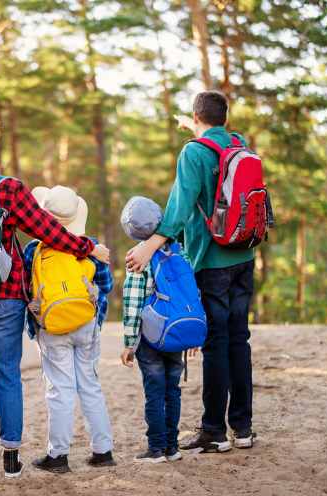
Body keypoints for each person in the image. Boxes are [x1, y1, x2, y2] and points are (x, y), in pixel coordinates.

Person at [0, 115, 110, 480]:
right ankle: (11, 460)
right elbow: (50, 232)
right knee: (7, 376)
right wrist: (88, 247)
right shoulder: (11, 189)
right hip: (4, 295)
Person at [126, 91, 256, 453]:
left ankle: (214, 431)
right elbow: (215, 134)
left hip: (212, 260)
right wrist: (196, 125)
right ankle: (243, 428)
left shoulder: (193, 152)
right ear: (224, 118)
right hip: (244, 256)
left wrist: (150, 244)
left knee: (215, 343)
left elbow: (180, 206)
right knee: (238, 340)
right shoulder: (237, 143)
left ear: (197, 119)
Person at [23, 185, 115, 474]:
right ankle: (103, 451)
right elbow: (107, 286)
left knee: (59, 389)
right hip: (86, 324)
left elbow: (27, 291)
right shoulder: (91, 246)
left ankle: (59, 456)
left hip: (52, 326)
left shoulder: (33, 249)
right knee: (89, 384)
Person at [119, 196, 184, 463]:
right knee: (173, 390)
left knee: (155, 392)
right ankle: (172, 447)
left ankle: (156, 448)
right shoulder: (180, 252)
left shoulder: (138, 258)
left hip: (151, 338)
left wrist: (129, 343)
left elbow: (133, 304)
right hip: (177, 333)